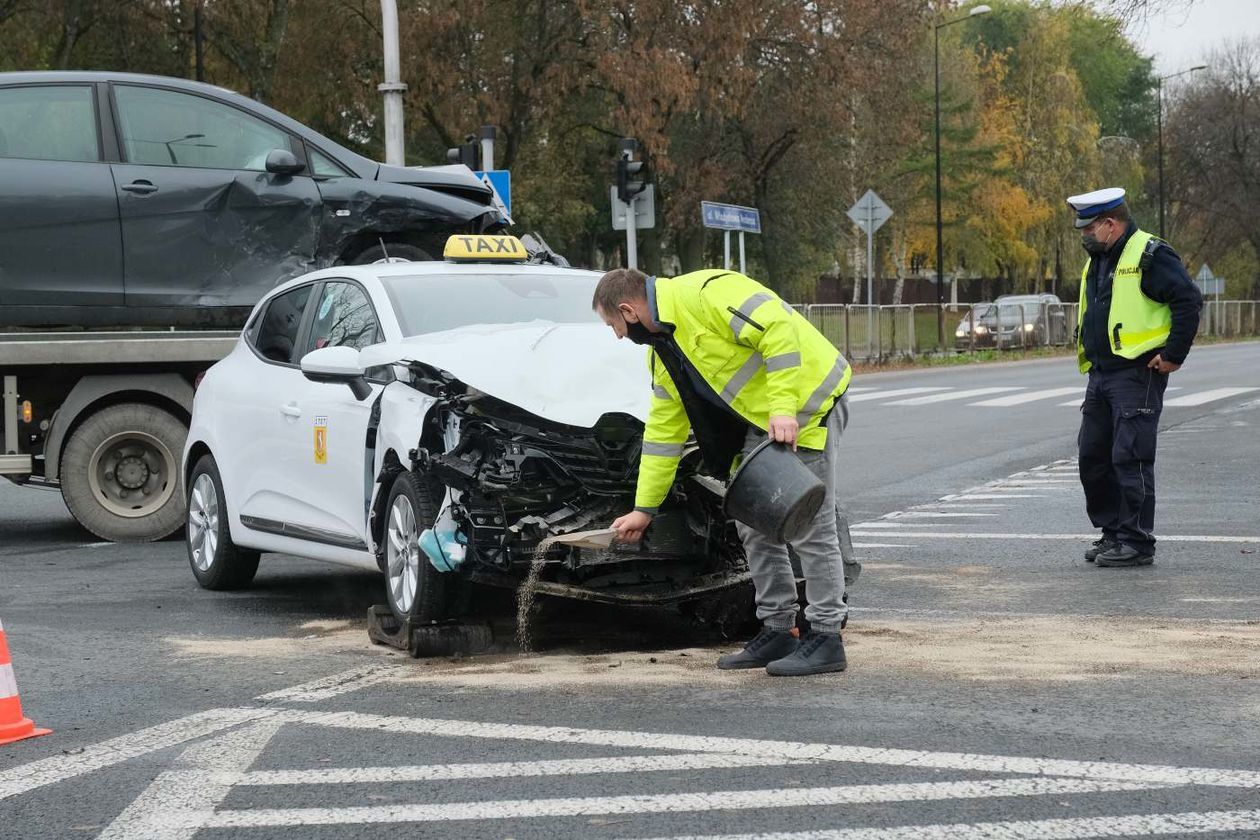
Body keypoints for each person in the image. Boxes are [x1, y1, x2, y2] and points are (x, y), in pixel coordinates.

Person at [592, 267, 855, 676]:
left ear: (627, 310)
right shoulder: (664, 351)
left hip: (806, 405)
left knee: (810, 527)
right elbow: (664, 435)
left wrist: (784, 407)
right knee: (752, 521)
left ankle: (825, 637)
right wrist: (644, 509)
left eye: (614, 326)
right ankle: (779, 628)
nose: (618, 336)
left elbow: (779, 330)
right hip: (763, 419)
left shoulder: (707, 293)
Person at [1067, 187, 1202, 568]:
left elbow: (1188, 300)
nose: (1083, 235)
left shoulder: (1150, 254)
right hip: (1101, 374)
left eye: (1088, 228)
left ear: (1110, 224)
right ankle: (1113, 534)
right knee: (1093, 457)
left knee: (1130, 458)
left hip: (1136, 373)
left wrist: (1174, 355)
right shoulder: (1099, 258)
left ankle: (1137, 541)